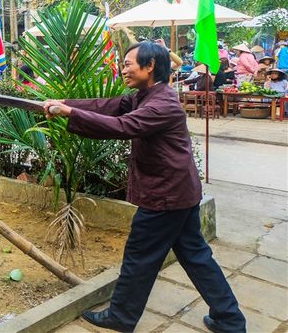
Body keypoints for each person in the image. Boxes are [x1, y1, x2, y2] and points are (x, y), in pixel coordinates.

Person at [43, 42, 246, 333]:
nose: (123, 69)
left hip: (166, 195)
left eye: (128, 63)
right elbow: (108, 106)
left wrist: (69, 114)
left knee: (140, 255)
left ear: (149, 66)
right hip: (179, 193)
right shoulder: (146, 96)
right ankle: (230, 319)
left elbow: (123, 126)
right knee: (196, 256)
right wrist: (66, 103)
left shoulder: (161, 104)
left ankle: (121, 317)